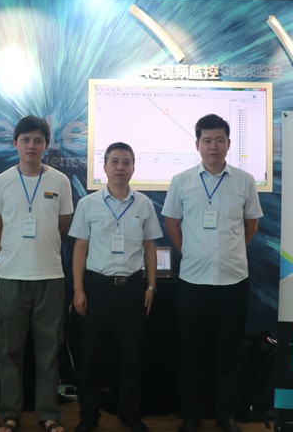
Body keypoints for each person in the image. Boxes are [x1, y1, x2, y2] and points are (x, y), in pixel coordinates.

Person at [161, 114, 263, 432]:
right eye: (207, 140)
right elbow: (172, 223)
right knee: (192, 350)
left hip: (233, 280)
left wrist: (232, 249)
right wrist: (191, 252)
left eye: (219, 140)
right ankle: (192, 414)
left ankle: (226, 414)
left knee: (229, 351)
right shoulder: (181, 181)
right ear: (197, 145)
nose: (213, 146)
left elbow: (251, 223)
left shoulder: (245, 181)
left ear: (229, 144)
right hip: (193, 281)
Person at [0, 115, 74, 432]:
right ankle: (9, 414)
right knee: (9, 351)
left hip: (50, 278)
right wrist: (15, 255)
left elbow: (62, 227)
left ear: (46, 145)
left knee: (48, 352)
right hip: (12, 277)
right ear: (15, 143)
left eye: (38, 140)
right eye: (26, 140)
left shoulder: (60, 182)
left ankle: (48, 414)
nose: (31, 146)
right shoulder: (1, 183)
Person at [69, 142, 162, 432]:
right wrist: (78, 289)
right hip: (97, 287)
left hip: (133, 288)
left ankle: (129, 414)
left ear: (133, 167)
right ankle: (89, 414)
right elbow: (80, 248)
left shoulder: (144, 204)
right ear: (105, 166)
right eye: (115, 161)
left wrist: (151, 287)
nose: (120, 167)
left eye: (126, 162)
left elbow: (150, 247)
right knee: (91, 355)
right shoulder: (88, 204)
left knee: (132, 356)